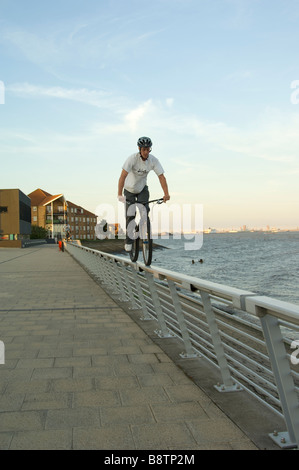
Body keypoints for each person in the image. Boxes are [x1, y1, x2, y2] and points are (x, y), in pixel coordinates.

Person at [118, 136, 170, 252]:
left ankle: (143, 227)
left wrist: (166, 193)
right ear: (139, 149)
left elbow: (161, 177)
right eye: (144, 149)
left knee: (145, 211)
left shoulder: (153, 160)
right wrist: (119, 194)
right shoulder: (132, 159)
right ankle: (129, 241)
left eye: (148, 149)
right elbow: (122, 177)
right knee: (130, 216)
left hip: (142, 189)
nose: (146, 152)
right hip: (129, 190)